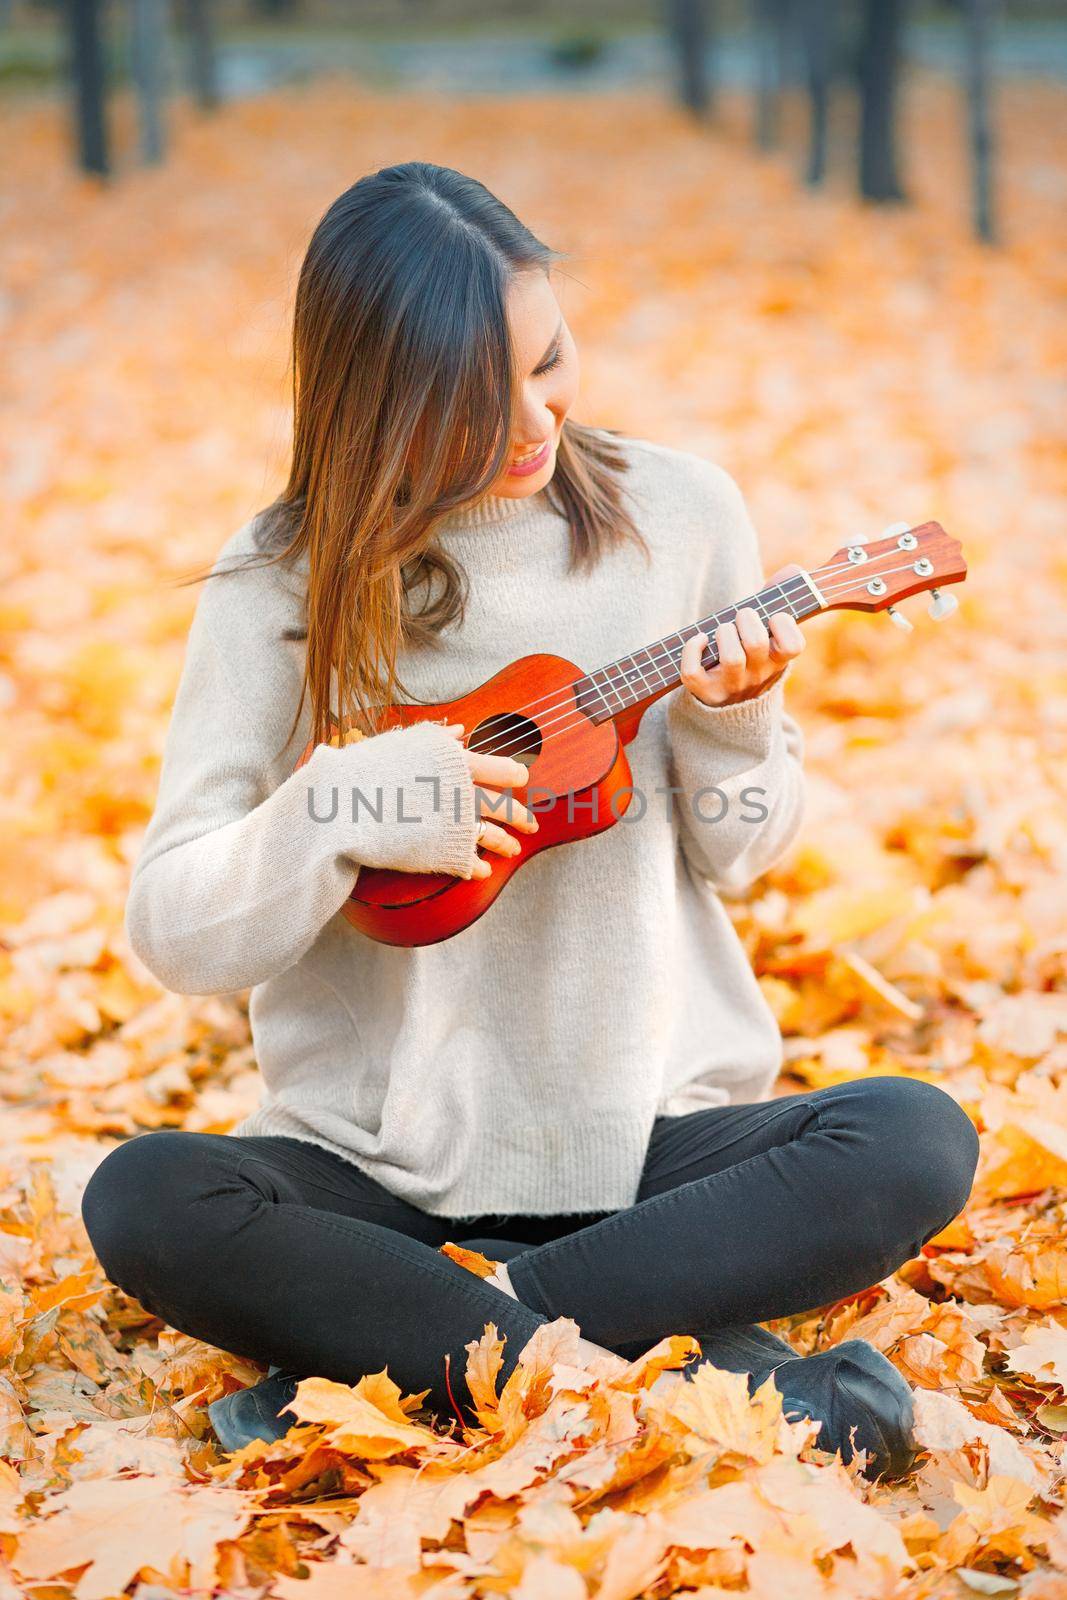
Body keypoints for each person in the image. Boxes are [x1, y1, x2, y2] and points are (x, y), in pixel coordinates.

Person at [80, 162, 978, 1477]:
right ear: (365, 400)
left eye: (548, 361)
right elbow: (174, 927)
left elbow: (746, 848)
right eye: (464, 402)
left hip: (647, 1146)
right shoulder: (275, 580)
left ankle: (421, 1359)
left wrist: (735, 722)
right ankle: (708, 1377)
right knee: (146, 1197)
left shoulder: (683, 517)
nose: (528, 420)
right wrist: (343, 806)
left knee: (913, 1139)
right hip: (378, 1169)